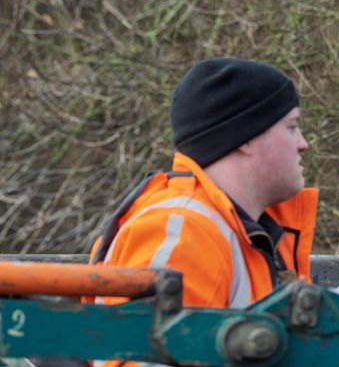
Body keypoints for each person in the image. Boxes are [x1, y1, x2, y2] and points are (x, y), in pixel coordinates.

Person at [87, 57, 318, 309]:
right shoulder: (180, 236)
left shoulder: (242, 232)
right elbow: (146, 344)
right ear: (245, 137)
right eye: (291, 127)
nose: (303, 144)